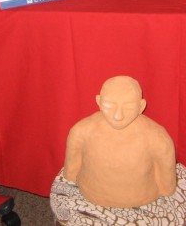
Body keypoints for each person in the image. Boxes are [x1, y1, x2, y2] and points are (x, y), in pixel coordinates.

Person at [63, 75, 176, 208]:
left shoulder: (157, 138)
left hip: (144, 198)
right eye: (109, 106)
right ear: (99, 101)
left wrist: (167, 189)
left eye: (129, 108)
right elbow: (70, 172)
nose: (118, 116)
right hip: (90, 192)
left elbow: (167, 186)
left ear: (141, 106)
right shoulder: (81, 131)